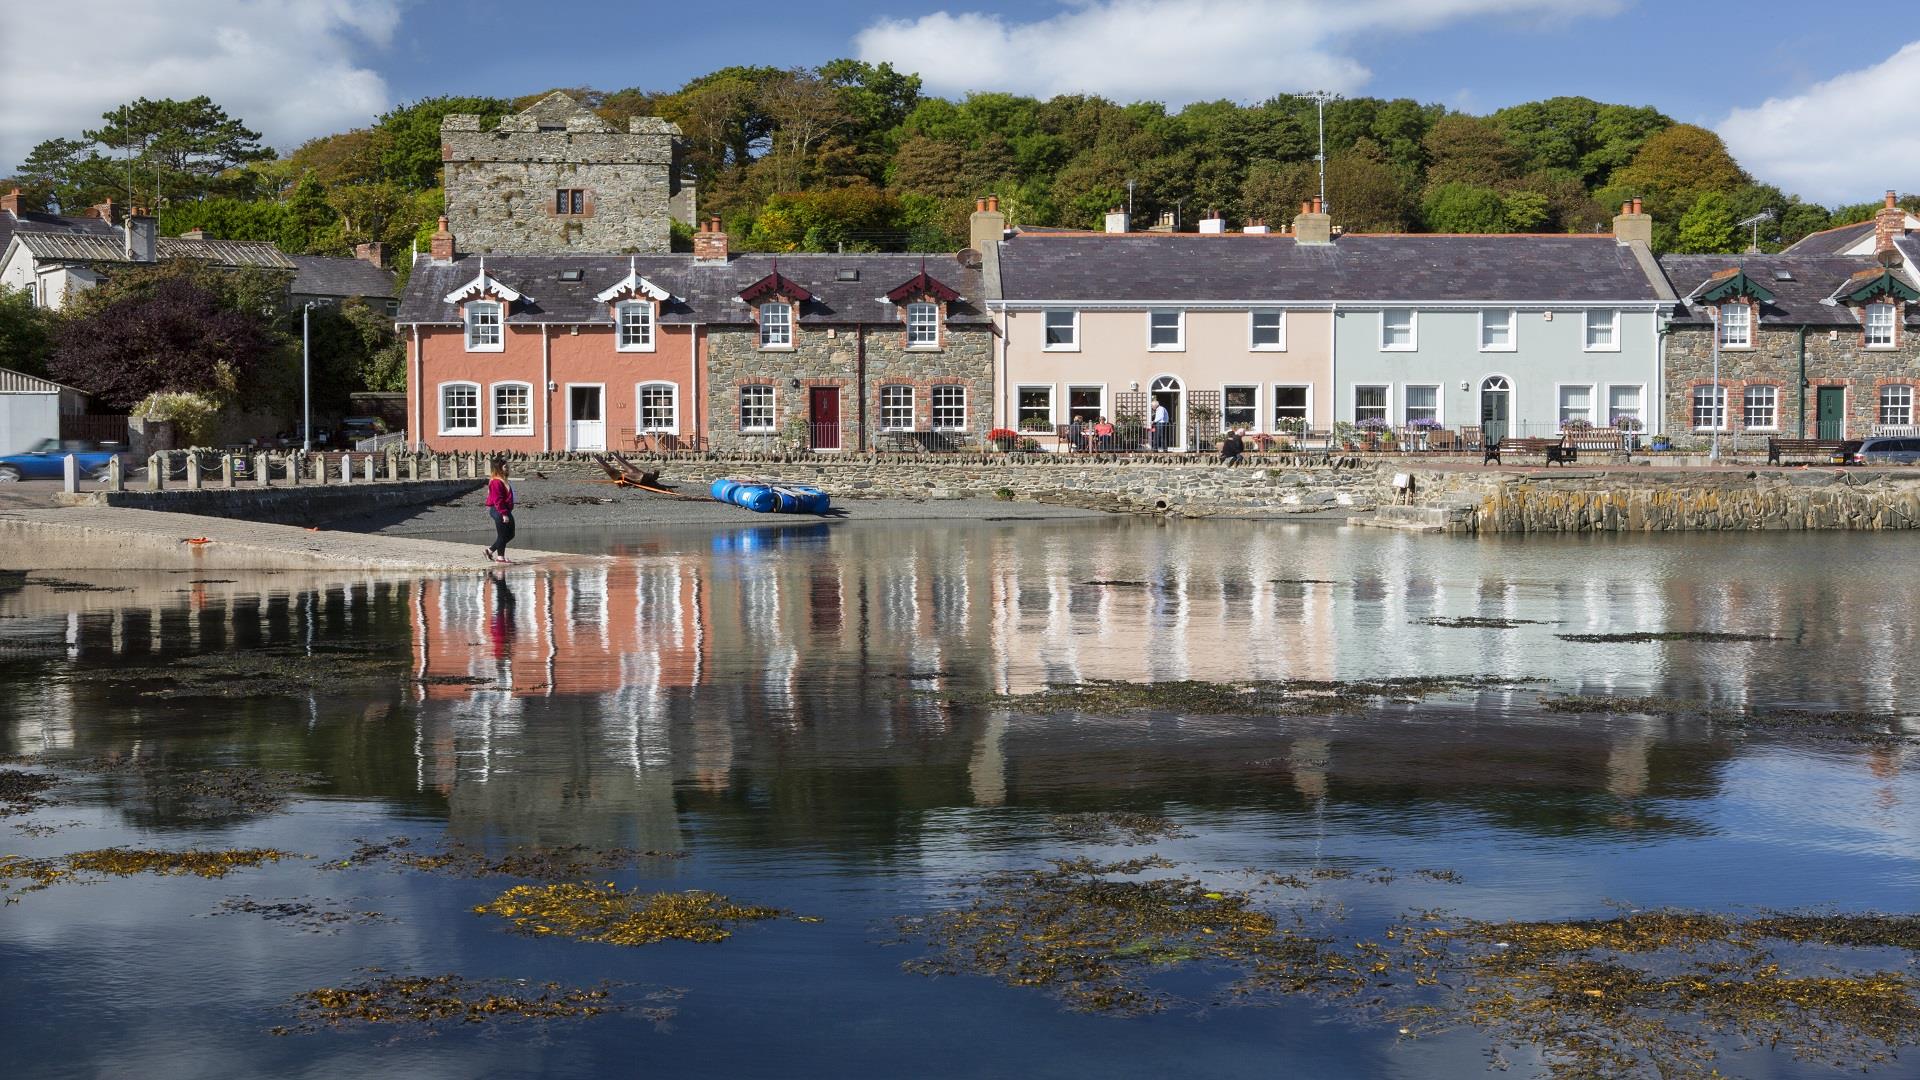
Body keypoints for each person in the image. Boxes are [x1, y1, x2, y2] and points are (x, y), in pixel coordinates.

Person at [484, 459, 515, 563]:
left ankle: (490, 550)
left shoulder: (503, 480)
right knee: (502, 535)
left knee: (510, 534)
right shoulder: (496, 481)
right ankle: (500, 557)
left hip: (505, 510)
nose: (508, 469)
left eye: (507, 467)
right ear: (499, 468)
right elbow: (498, 499)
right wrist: (504, 514)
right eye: (505, 467)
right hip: (498, 510)